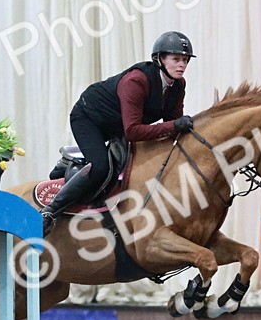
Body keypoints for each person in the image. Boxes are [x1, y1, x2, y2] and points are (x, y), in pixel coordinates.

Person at [41, 31, 197, 235]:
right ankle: (49, 212)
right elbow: (133, 131)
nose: (182, 65)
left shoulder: (178, 85)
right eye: (176, 59)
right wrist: (176, 126)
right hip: (89, 118)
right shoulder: (136, 81)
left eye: (185, 60)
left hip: (118, 124)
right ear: (159, 59)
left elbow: (172, 123)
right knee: (100, 168)